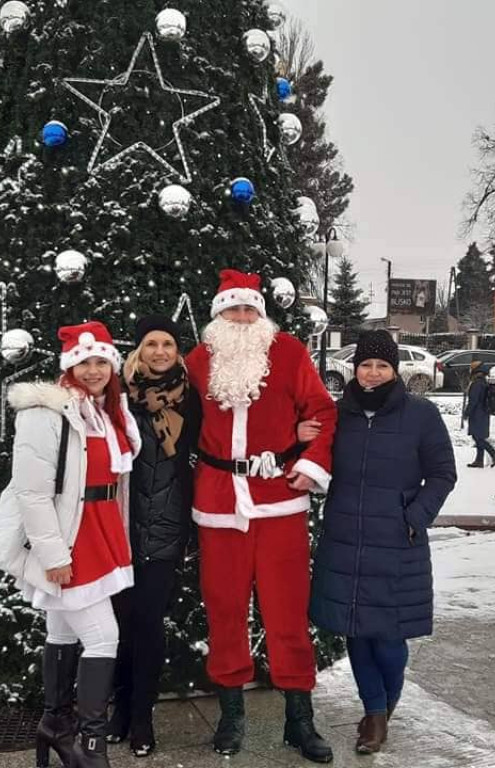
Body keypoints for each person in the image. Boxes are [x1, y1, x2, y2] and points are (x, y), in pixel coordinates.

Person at [186, 269, 338, 763]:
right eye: (234, 309)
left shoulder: (290, 353)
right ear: (218, 316)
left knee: (287, 613)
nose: (244, 317)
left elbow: (325, 412)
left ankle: (300, 718)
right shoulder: (197, 362)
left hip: (279, 504)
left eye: (251, 309)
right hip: (218, 504)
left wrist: (309, 461)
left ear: (262, 314)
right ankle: (232, 715)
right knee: (225, 610)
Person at [0, 321, 142, 768]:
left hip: (101, 529)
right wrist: (53, 555)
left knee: (62, 631)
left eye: (102, 362)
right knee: (103, 637)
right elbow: (31, 493)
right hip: (71, 537)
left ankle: (55, 724)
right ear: (69, 366)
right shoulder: (46, 410)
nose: (94, 370)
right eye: (84, 362)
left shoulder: (106, 411)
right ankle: (91, 743)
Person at [309, 330, 457, 755]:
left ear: (396, 370)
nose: (372, 374)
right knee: (356, 632)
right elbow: (316, 457)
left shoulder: (420, 415)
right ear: (354, 369)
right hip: (346, 540)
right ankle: (374, 714)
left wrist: (413, 517)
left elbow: (443, 474)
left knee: (390, 638)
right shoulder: (340, 414)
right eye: (366, 365)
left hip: (396, 542)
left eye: (382, 366)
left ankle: (383, 707)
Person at [105, 315, 202, 757]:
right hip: (118, 528)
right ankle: (119, 708)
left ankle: (142, 716)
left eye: (167, 343)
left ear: (178, 351)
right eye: (150, 343)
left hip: (165, 528)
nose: (159, 351)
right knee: (119, 625)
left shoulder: (191, 400)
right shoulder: (116, 397)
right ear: (137, 351)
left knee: (148, 623)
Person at [463, 360, 495, 468]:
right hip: (483, 412)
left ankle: (494, 454)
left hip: (477, 413)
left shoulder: (477, 383)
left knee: (478, 437)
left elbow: (473, 400)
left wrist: (467, 412)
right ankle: (479, 460)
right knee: (479, 436)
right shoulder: (483, 382)